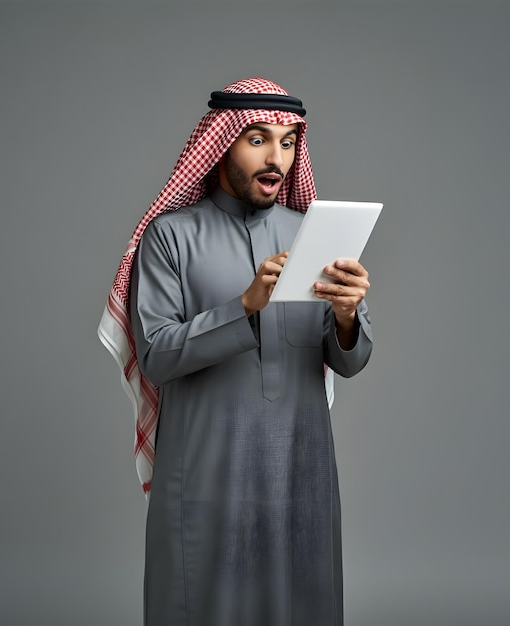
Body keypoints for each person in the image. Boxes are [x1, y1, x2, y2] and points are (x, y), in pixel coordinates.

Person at [98, 77, 373, 626]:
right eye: (258, 139)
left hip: (301, 469)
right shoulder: (170, 237)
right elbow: (155, 354)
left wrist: (347, 316)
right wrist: (245, 306)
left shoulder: (310, 235)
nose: (278, 158)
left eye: (289, 142)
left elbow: (349, 360)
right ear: (221, 143)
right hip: (207, 473)